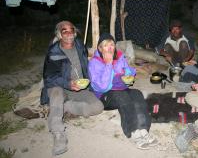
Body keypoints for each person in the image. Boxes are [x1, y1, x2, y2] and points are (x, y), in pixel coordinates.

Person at [40, 21, 103, 156]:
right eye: (65, 31)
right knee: (56, 94)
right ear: (59, 34)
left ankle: (65, 107)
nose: (69, 34)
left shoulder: (80, 45)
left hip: (80, 87)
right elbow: (48, 78)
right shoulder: (54, 51)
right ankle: (58, 134)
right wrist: (68, 84)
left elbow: (85, 63)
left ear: (74, 32)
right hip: (61, 87)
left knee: (98, 107)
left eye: (71, 30)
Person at [88, 33, 158, 150]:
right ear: (100, 48)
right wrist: (108, 64)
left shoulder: (119, 56)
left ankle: (143, 129)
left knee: (136, 94)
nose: (110, 48)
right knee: (122, 97)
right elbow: (103, 86)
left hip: (121, 89)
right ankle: (133, 131)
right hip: (104, 95)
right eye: (106, 45)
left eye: (112, 44)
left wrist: (128, 73)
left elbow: (129, 70)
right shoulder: (94, 63)